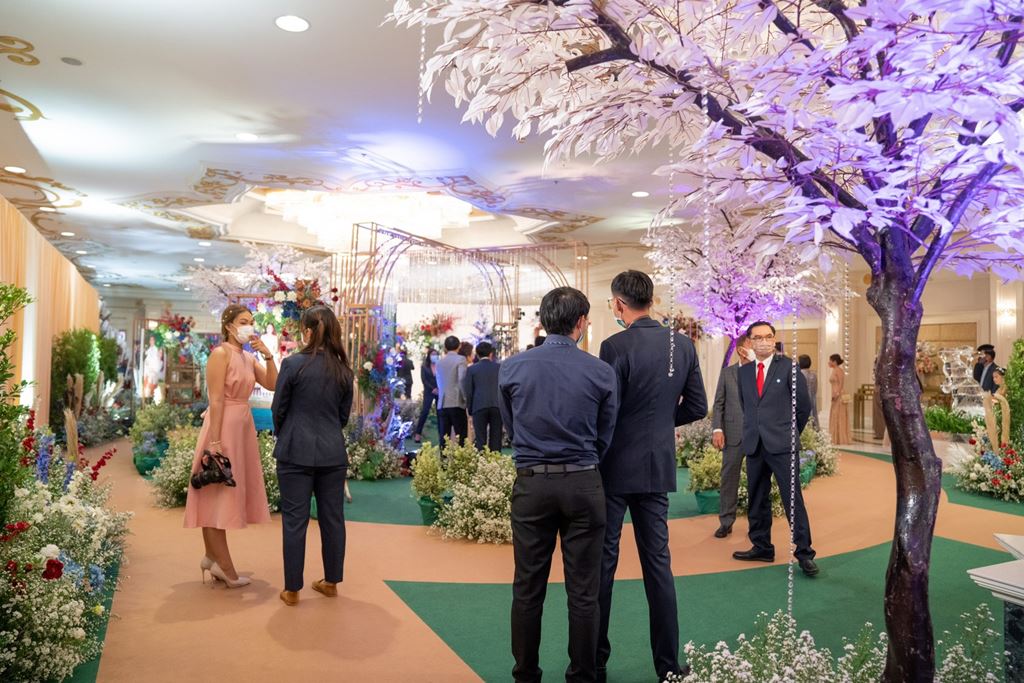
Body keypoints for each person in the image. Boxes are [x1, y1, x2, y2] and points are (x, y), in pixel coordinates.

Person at [499, 287, 618, 683]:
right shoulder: (600, 371)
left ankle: (525, 674)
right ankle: (583, 675)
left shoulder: (512, 368)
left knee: (527, 587)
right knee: (584, 592)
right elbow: (606, 434)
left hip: (532, 484)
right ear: (581, 323)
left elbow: (511, 426)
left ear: (543, 320)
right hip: (584, 482)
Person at [597, 271, 707, 682]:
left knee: (602, 566)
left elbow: (606, 409)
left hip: (613, 467)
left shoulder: (614, 346)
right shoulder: (683, 344)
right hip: (656, 467)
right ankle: (668, 667)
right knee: (659, 567)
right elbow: (697, 406)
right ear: (652, 300)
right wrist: (660, 424)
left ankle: (595, 663)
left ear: (619, 304)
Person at [184, 304, 277, 587]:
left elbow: (272, 384)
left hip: (242, 426)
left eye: (251, 321)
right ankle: (223, 566)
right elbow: (215, 400)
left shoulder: (248, 357)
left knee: (222, 493)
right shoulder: (220, 354)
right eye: (244, 321)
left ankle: (212, 558)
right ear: (229, 326)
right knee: (216, 492)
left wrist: (268, 355)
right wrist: (215, 441)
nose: (249, 326)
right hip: (222, 427)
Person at [271, 306, 354, 606]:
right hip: (333, 452)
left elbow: (278, 409)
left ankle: (292, 589)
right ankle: (331, 582)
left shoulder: (292, 364)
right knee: (333, 519)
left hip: (295, 451)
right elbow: (343, 416)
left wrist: (288, 433)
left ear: (306, 331)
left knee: (295, 521)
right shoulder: (344, 370)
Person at [734, 321, 816, 576]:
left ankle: (804, 553)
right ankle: (761, 546)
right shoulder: (744, 372)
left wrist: (790, 433)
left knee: (792, 500)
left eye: (768, 336)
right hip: (755, 445)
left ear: (774, 339)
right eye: (758, 338)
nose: (764, 341)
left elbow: (803, 407)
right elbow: (748, 407)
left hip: (782, 445)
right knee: (757, 498)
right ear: (750, 341)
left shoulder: (788, 367)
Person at [711, 334, 754, 539]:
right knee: (729, 479)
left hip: (756, 435)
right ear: (741, 349)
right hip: (732, 434)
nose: (756, 347)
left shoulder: (762, 371)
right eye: (751, 343)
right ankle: (726, 522)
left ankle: (757, 526)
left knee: (757, 481)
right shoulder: (727, 373)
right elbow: (718, 403)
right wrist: (717, 429)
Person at [463, 341, 503, 451]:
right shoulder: (499, 367)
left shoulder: (471, 369)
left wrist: (469, 408)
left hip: (479, 405)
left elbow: (469, 391)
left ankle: (482, 459)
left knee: (480, 438)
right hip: (497, 405)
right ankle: (495, 458)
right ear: (491, 353)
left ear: (477, 354)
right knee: (496, 437)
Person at [436, 336, 468, 449]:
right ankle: (461, 459)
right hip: (456, 401)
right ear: (459, 346)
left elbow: (439, 381)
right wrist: (465, 397)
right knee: (461, 436)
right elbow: (462, 380)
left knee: (444, 437)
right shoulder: (461, 359)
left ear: (445, 347)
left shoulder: (440, 362)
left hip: (442, 402)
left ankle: (443, 459)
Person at [413, 347, 439, 443]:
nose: (434, 356)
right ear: (428, 356)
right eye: (432, 354)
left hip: (439, 391)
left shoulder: (440, 366)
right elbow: (424, 380)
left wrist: (438, 388)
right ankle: (418, 434)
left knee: (440, 413)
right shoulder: (424, 366)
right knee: (425, 411)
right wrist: (433, 389)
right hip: (429, 391)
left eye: (436, 354)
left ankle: (442, 434)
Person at [828, 354, 851, 444]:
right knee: (835, 415)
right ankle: (835, 438)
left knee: (839, 416)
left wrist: (837, 394)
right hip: (835, 395)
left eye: (830, 360)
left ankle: (840, 438)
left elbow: (841, 384)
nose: (829, 362)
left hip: (839, 396)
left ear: (834, 361)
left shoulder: (839, 370)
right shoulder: (834, 370)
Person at [799, 354, 820, 430]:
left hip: (802, 400)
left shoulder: (799, 374)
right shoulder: (813, 375)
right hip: (812, 399)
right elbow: (815, 389)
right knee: (813, 416)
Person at [143, 336, 164, 402]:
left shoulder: (156, 349)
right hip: (147, 371)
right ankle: (147, 398)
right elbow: (146, 358)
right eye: (150, 340)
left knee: (152, 386)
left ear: (155, 341)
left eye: (152, 340)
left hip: (153, 371)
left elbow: (157, 361)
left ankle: (151, 398)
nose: (151, 341)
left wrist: (153, 369)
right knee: (146, 387)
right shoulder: (149, 349)